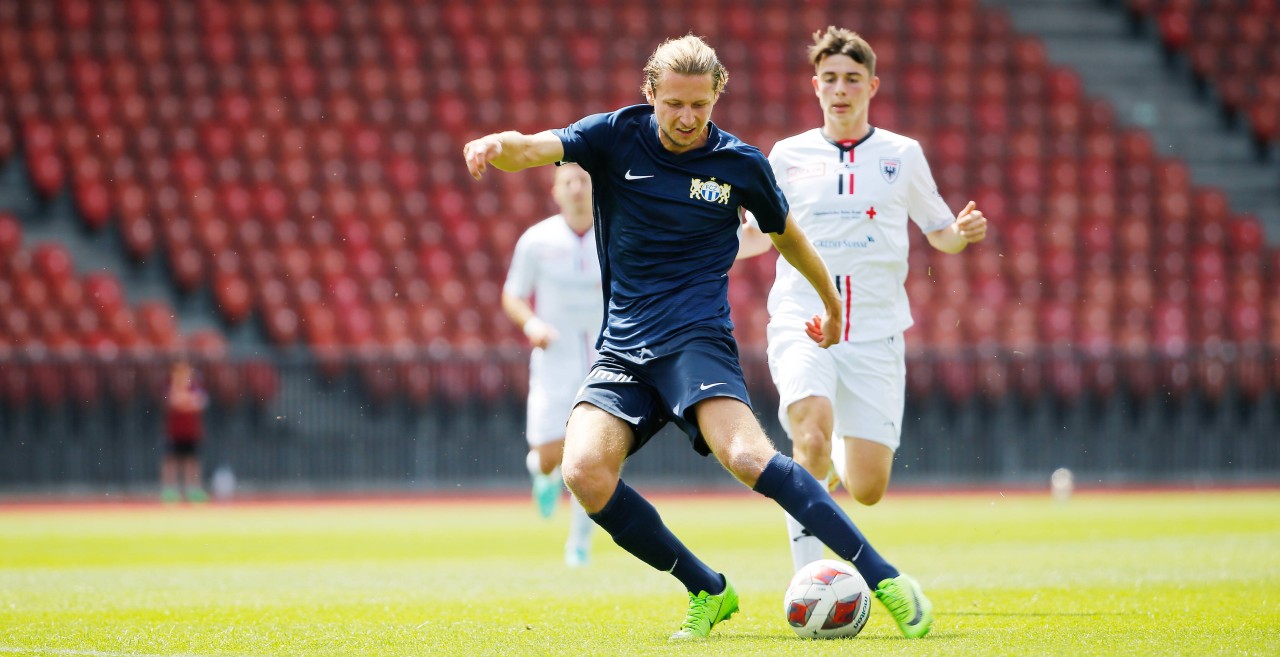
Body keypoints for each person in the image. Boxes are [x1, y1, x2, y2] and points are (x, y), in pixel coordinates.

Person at [464, 34, 932, 640]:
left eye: (700, 106)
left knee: (747, 457)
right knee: (583, 471)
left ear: (717, 96)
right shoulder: (614, 135)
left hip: (696, 342)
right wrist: (494, 144)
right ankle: (707, 589)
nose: (687, 119)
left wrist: (831, 300)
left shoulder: (740, 164)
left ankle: (883, 576)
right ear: (650, 94)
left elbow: (787, 236)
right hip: (624, 348)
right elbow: (533, 148)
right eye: (674, 104)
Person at [737, 26, 990, 572]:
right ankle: (809, 576)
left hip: (875, 331)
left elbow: (939, 231)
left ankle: (828, 470)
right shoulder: (787, 155)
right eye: (830, 78)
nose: (840, 89)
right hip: (803, 320)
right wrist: (708, 248)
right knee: (809, 433)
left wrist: (961, 234)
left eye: (852, 79)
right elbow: (759, 233)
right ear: (815, 86)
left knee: (869, 488)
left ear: (872, 85)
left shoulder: (902, 154)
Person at [501, 162, 600, 567]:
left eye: (584, 180)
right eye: (568, 182)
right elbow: (513, 294)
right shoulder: (536, 240)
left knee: (589, 457)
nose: (577, 188)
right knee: (548, 454)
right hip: (553, 360)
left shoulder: (615, 235)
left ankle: (578, 544)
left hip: (603, 360)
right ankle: (542, 476)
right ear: (556, 191)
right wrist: (532, 323)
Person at [160, 358, 209, 503]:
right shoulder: (170, 385)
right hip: (174, 431)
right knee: (171, 461)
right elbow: (173, 401)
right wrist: (187, 400)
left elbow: (201, 402)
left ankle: (193, 489)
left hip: (191, 430)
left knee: (192, 461)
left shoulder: (195, 385)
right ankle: (170, 490)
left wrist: (184, 401)